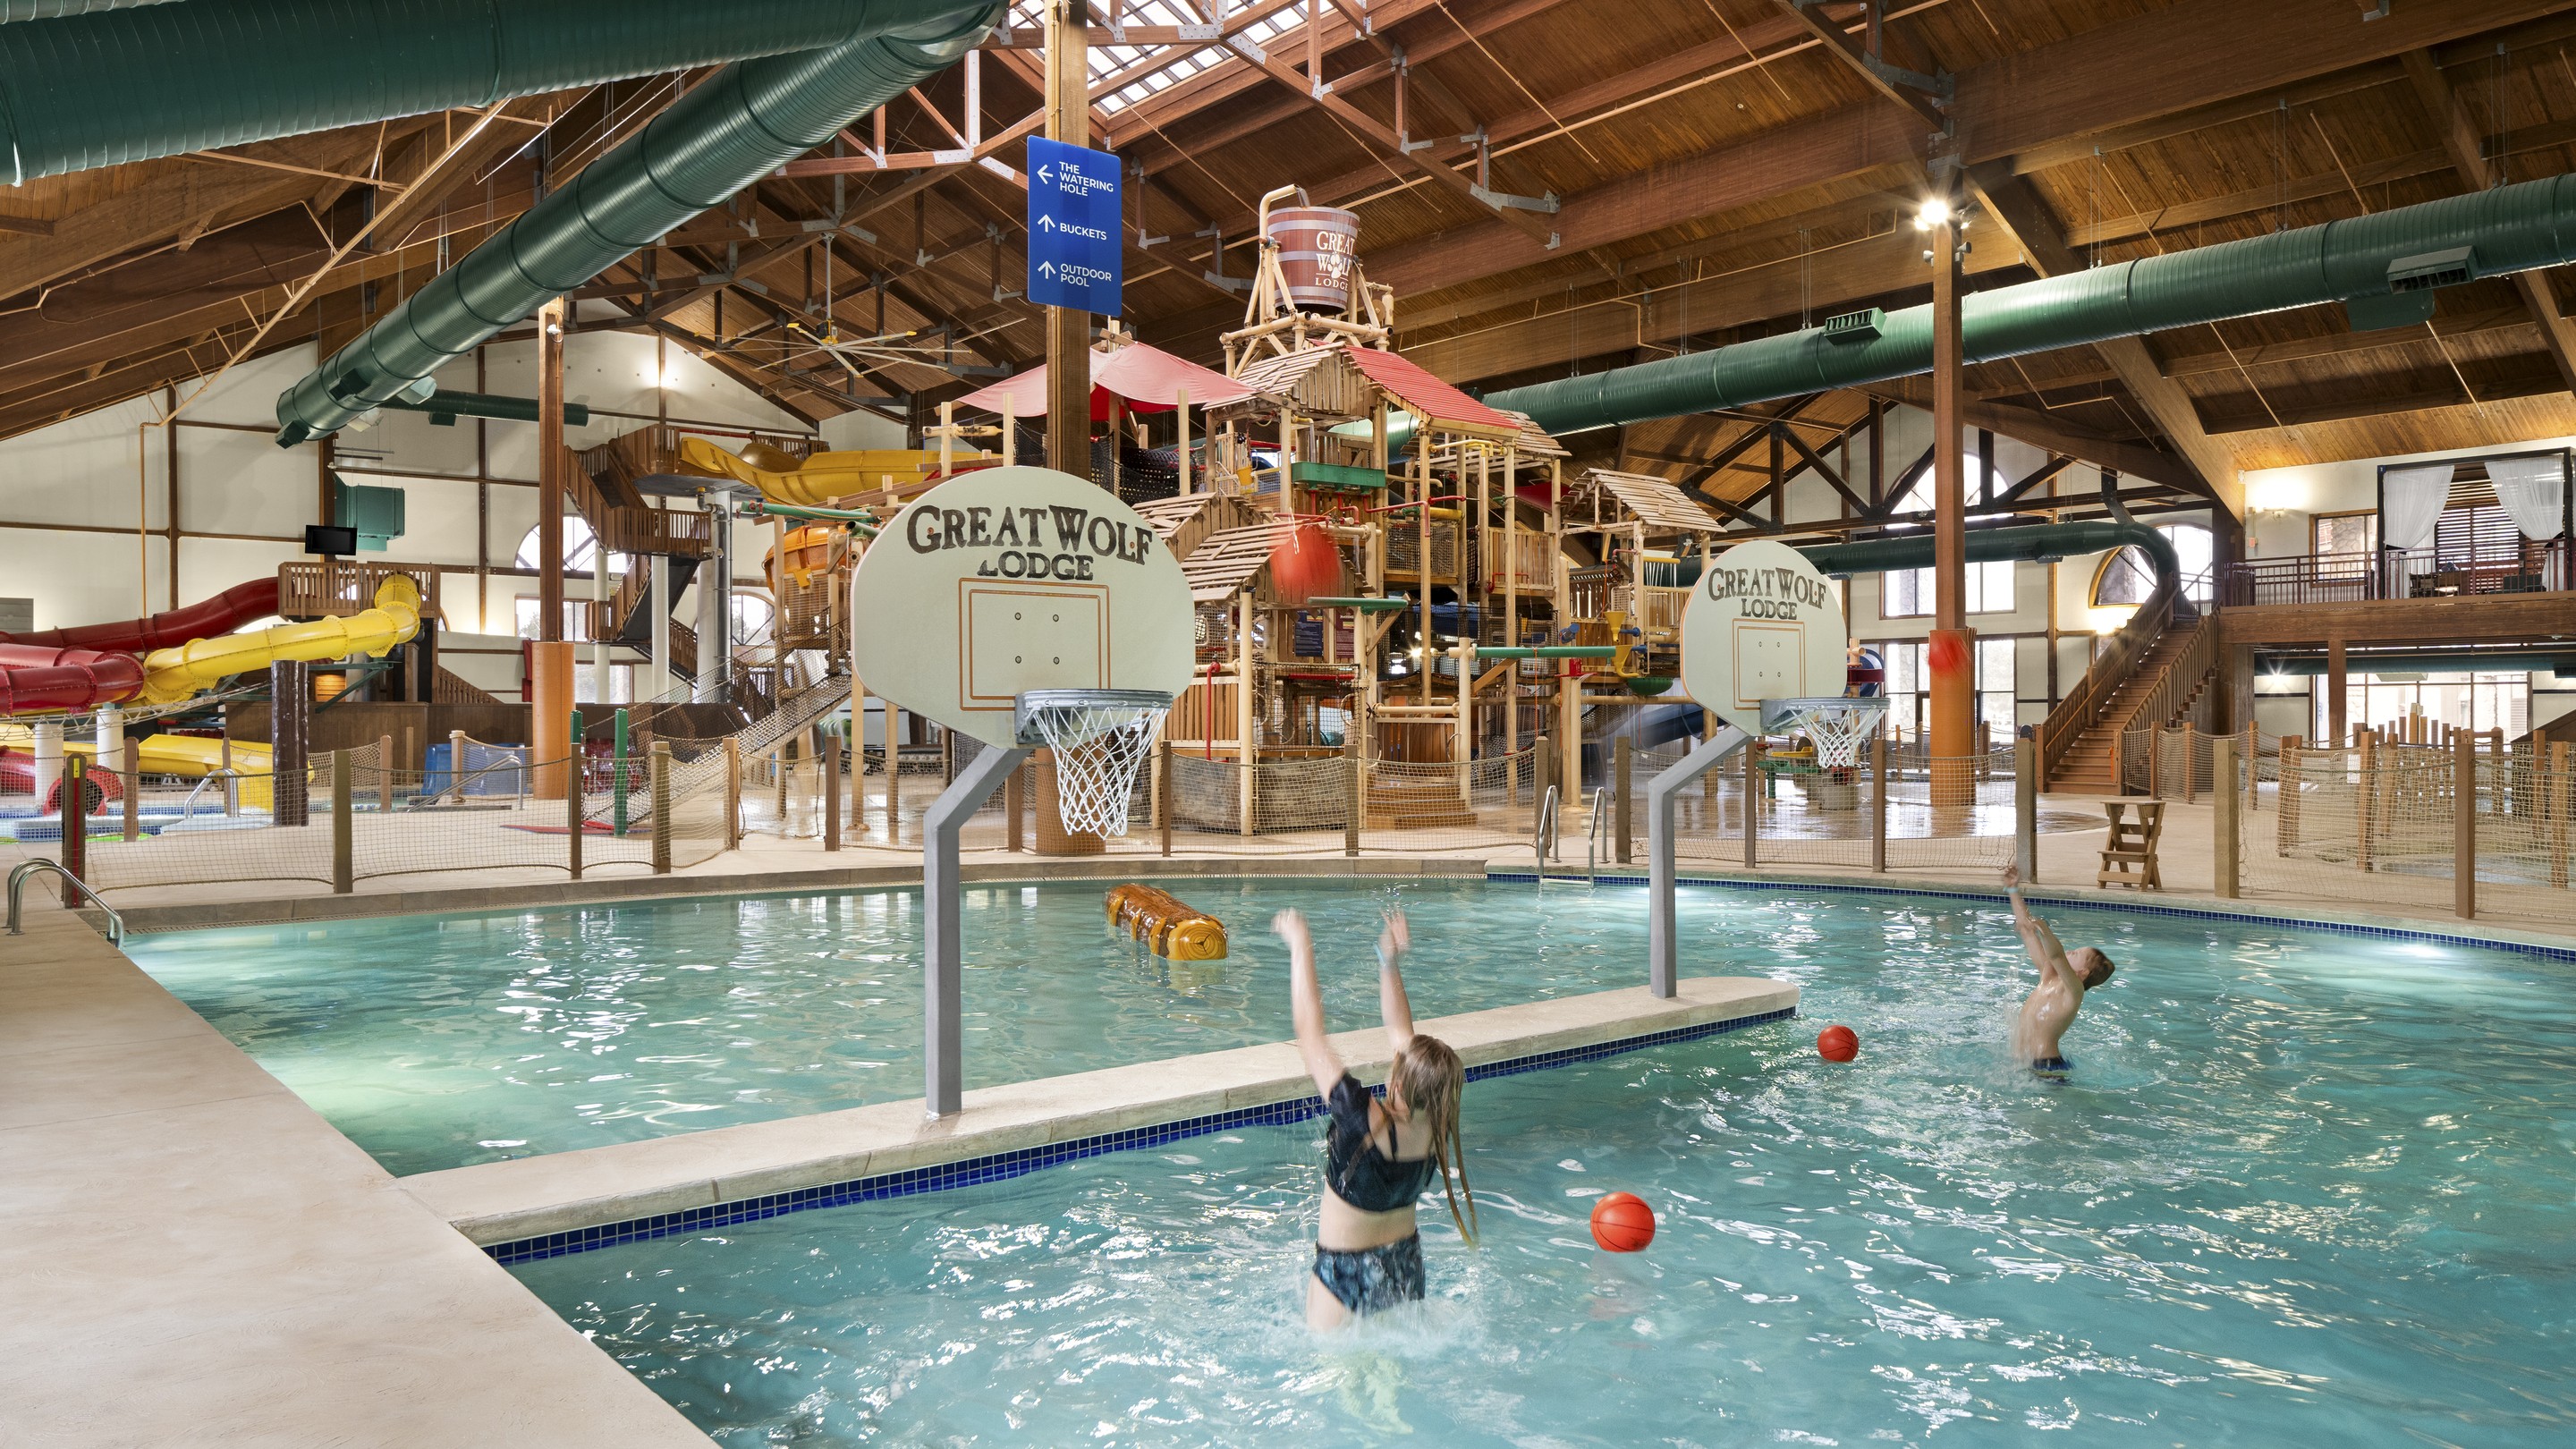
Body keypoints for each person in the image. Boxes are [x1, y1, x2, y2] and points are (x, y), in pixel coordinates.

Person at [1273, 906, 1477, 1328]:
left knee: (1340, 1384)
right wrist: (1387, 961)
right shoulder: (1436, 1124)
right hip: (1405, 1271)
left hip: (1342, 1279)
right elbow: (1404, 1037)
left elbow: (1310, 1037)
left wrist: (1300, 946)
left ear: (1400, 1083)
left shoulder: (1361, 1115)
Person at [2002, 864, 2115, 1073]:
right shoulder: (2048, 977)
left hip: (2047, 1067)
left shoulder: (2073, 991)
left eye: (2076, 954)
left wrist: (2045, 930)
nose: (2070, 952)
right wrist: (2013, 890)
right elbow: (2027, 931)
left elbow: (2056, 955)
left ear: (2083, 973)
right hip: (2022, 1062)